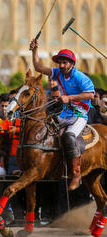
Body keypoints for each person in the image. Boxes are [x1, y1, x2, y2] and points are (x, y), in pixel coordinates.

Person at [30, 38, 95, 190]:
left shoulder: (79, 77)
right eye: (60, 62)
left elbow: (91, 95)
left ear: (72, 64)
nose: (62, 65)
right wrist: (34, 51)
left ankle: (76, 174)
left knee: (68, 136)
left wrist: (70, 98)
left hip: (79, 114)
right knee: (45, 129)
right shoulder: (57, 73)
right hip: (64, 113)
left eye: (65, 62)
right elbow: (38, 67)